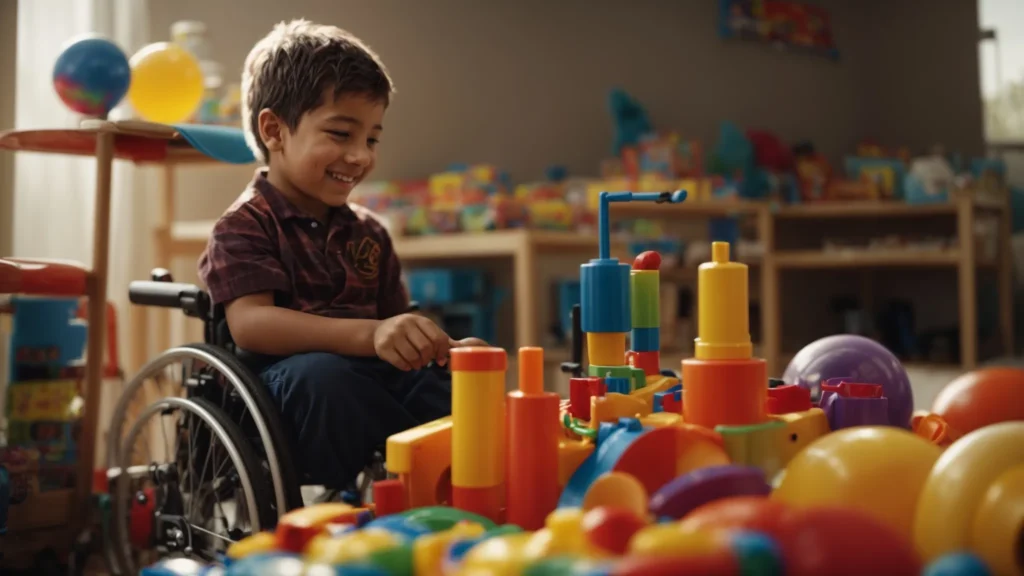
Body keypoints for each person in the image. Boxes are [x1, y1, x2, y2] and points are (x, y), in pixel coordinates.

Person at [198, 19, 485, 492]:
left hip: (368, 375)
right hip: (285, 385)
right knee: (324, 378)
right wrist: (371, 335)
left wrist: (443, 351)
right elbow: (251, 325)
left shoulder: (370, 232)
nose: (359, 156)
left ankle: (431, 483)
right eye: (340, 134)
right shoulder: (244, 225)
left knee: (450, 382)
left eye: (371, 139)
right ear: (275, 130)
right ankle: (361, 492)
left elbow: (396, 321)